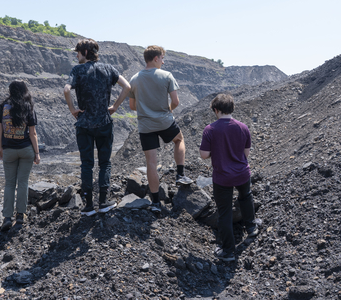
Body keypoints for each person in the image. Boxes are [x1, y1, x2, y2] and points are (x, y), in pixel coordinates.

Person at [64, 38, 131, 216]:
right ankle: (103, 202)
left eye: (77, 52)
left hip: (84, 123)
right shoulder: (109, 69)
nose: (76, 55)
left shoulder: (77, 70)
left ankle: (87, 205)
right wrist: (115, 107)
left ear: (85, 52)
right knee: (105, 164)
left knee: (86, 164)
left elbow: (66, 89)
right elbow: (127, 87)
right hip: (104, 122)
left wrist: (72, 109)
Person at [129, 45, 193, 213]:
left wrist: (146, 109)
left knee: (151, 163)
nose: (163, 62)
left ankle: (156, 203)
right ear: (156, 58)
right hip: (164, 121)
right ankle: (180, 174)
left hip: (145, 125)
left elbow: (132, 106)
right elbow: (176, 102)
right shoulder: (166, 76)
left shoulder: (134, 79)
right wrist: (168, 109)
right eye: (162, 58)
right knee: (179, 139)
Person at [199, 93, 258, 262]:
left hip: (222, 177)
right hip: (242, 173)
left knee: (224, 212)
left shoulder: (210, 129)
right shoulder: (243, 127)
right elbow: (245, 153)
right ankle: (252, 228)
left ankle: (228, 251)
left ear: (216, 110)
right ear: (232, 108)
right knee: (246, 197)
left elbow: (204, 155)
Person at [0, 80, 40, 231]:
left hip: (8, 150)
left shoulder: (3, 106)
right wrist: (37, 153)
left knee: (9, 183)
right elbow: (33, 133)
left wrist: (0, 148)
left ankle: (7, 217)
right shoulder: (28, 106)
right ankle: (20, 216)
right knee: (23, 182)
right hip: (26, 149)